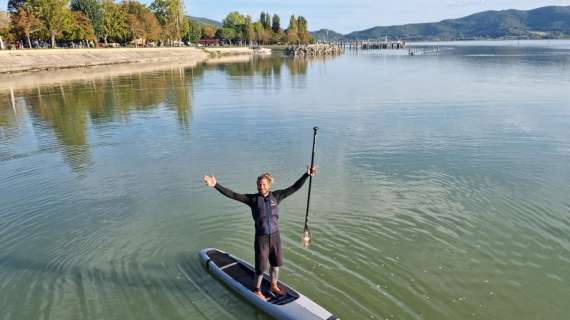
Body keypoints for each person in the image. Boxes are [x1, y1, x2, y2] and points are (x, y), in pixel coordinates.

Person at [203, 165, 318, 300]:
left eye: (263, 184)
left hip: (275, 237)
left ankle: (273, 286)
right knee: (261, 267)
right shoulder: (252, 199)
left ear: (269, 184)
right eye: (259, 184)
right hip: (261, 239)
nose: (261, 187)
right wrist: (216, 185)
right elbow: (233, 195)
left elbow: (294, 187)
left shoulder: (277, 196)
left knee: (276, 265)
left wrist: (307, 175)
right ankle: (257, 289)